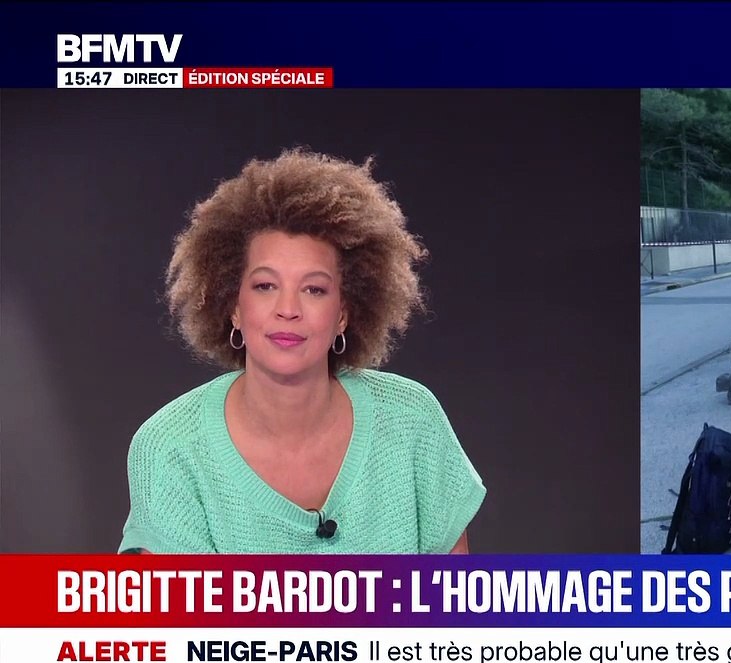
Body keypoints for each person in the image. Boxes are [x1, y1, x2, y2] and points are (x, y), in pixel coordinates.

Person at [119, 149, 486, 554]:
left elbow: (456, 592)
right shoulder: (170, 448)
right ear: (233, 306)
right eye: (265, 286)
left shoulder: (412, 420)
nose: (288, 309)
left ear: (343, 313)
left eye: (314, 289)